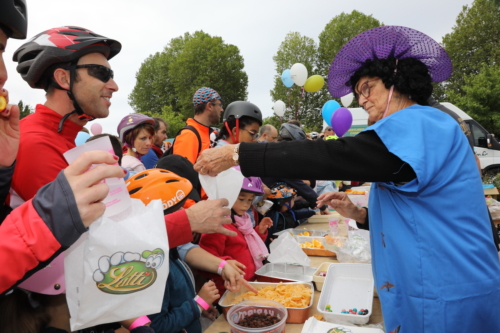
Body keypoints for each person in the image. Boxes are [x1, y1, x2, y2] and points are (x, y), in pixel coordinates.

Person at [194, 26, 500, 332]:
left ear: (397, 81)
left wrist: (239, 154)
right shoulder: (419, 128)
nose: (362, 99)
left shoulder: (420, 124)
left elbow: (334, 156)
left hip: (450, 291)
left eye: (368, 88)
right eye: (358, 92)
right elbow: (422, 210)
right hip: (436, 280)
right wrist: (361, 215)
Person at [126, 168, 255, 333]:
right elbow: (158, 326)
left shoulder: (168, 248)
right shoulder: (151, 269)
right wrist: (198, 303)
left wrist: (199, 307)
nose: (184, 214)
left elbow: (186, 250)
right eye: (178, 211)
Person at [198, 170, 273, 295]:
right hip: (230, 289)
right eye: (242, 199)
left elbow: (246, 245)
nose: (246, 205)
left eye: (249, 200)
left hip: (249, 283)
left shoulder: (242, 221)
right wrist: (225, 263)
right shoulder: (217, 226)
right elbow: (205, 259)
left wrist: (259, 232)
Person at [169, 87, 223, 164]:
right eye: (220, 105)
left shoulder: (209, 132)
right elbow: (182, 173)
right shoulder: (188, 135)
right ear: (209, 106)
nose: (221, 109)